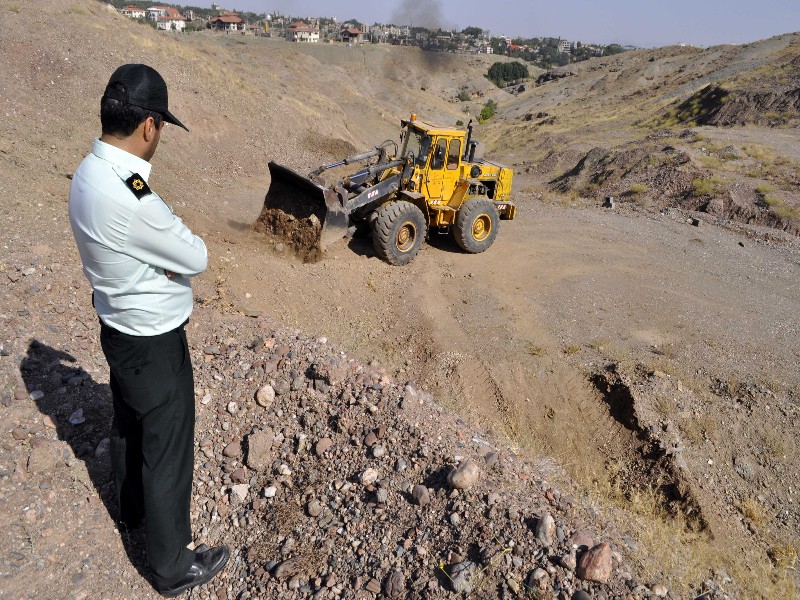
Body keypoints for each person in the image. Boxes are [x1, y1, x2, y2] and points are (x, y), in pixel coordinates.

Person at [68, 64, 229, 597]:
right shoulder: (130, 194)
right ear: (149, 125)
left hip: (118, 326)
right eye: (161, 127)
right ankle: (171, 565)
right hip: (153, 340)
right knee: (167, 446)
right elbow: (195, 255)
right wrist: (168, 254)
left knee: (129, 421)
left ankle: (132, 510)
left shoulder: (91, 169)